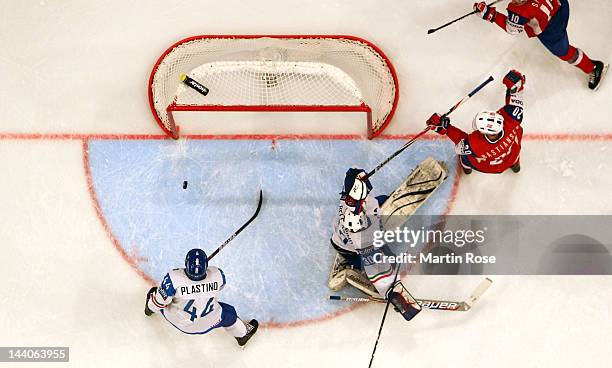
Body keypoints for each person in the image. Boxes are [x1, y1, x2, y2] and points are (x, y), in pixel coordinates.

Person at [473, 0, 607, 90]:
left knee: (564, 52)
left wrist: (490, 14)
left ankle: (593, 67)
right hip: (562, 6)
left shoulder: (518, 12)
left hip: (551, 29)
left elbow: (511, 29)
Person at [144, 248, 258, 347]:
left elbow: (159, 302)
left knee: (156, 294)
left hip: (178, 321)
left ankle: (150, 310)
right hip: (208, 322)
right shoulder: (218, 275)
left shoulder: (173, 279)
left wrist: (149, 309)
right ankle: (243, 334)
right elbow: (220, 286)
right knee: (229, 313)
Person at [426, 69, 525, 174]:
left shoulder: (475, 144)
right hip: (512, 155)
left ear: (483, 132)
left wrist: (444, 128)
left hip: (490, 167)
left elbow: (459, 146)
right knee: (518, 133)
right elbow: (516, 94)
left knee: (465, 155)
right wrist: (516, 85)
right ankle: (515, 165)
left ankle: (466, 168)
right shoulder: (512, 118)